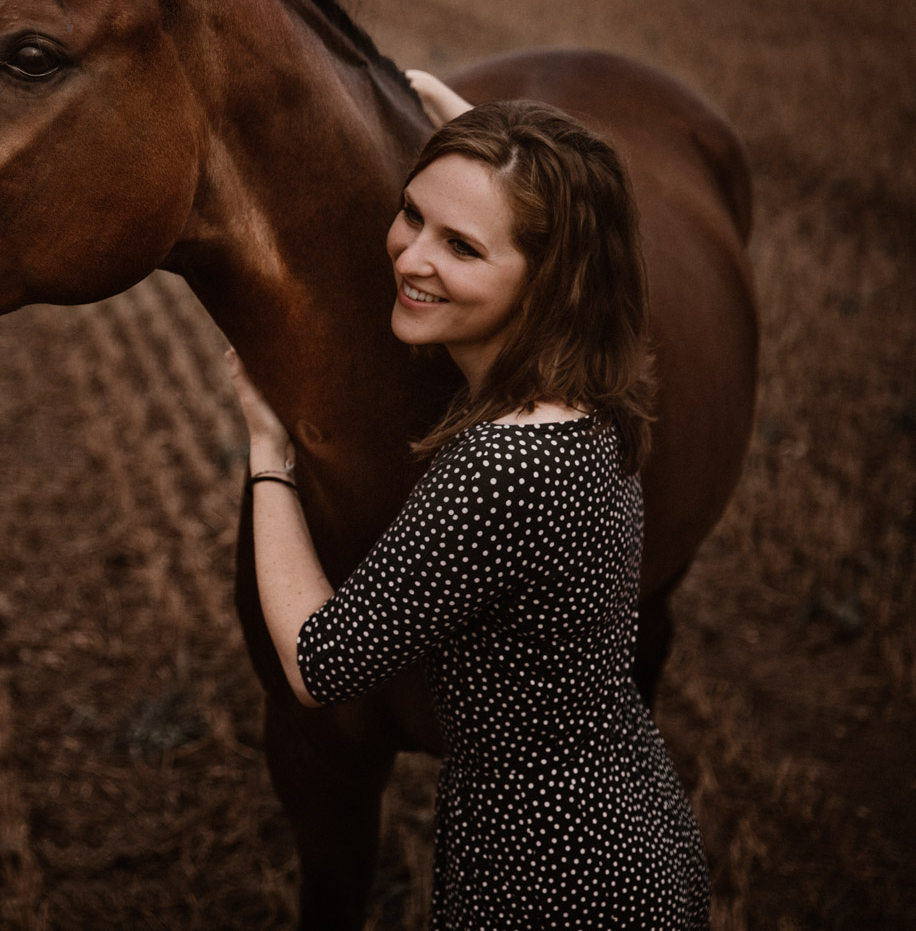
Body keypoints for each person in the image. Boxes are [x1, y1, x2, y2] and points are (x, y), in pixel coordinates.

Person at [223, 81, 711, 927]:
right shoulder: (592, 396)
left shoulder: (502, 466)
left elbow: (319, 664)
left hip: (548, 878)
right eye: (412, 215)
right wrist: (490, 147)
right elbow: (595, 242)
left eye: (462, 247)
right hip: (631, 827)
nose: (412, 257)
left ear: (549, 280)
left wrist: (269, 456)